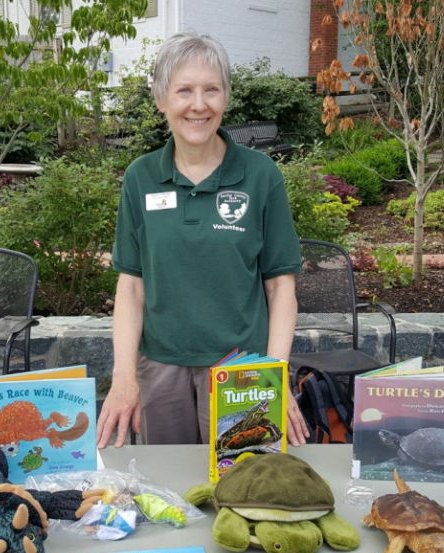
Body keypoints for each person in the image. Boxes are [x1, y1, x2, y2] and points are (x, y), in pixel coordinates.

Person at [96, 30, 309, 449]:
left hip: (244, 370)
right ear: (162, 100)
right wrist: (124, 378)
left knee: (244, 487)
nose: (199, 104)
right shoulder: (141, 177)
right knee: (169, 492)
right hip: (160, 370)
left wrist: (275, 375)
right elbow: (132, 286)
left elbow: (280, 285)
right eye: (184, 91)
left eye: (211, 89)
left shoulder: (261, 175)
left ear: (226, 97)